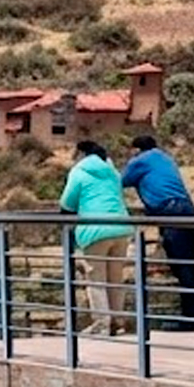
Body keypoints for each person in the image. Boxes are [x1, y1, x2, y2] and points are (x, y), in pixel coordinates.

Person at [123, 133, 194, 330]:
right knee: (190, 265)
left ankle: (191, 320)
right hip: (187, 209)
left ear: (136, 149)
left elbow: (121, 181)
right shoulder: (165, 157)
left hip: (170, 211)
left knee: (182, 266)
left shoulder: (140, 160)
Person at [59, 140, 134, 335]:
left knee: (96, 279)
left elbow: (67, 203)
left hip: (95, 230)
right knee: (115, 278)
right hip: (121, 228)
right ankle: (118, 322)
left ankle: (102, 323)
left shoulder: (79, 172)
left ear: (82, 154)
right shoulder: (114, 173)